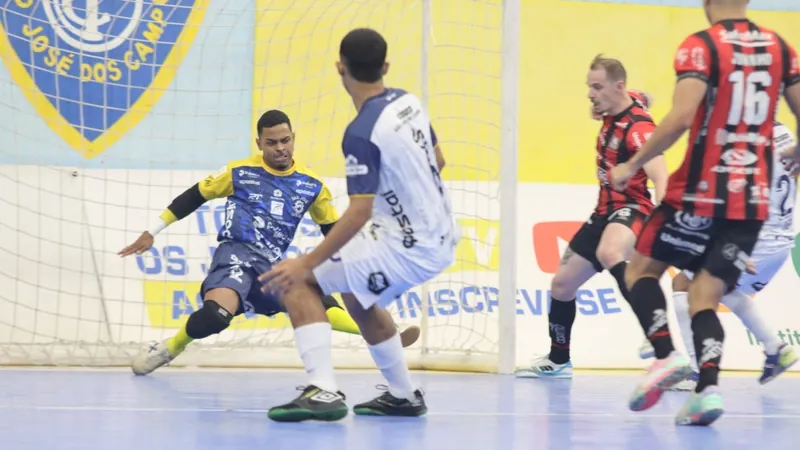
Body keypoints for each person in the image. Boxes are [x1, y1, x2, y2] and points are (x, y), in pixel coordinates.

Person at [609, 0, 800, 426]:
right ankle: (707, 392)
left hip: (700, 190)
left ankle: (665, 356)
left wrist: (633, 164)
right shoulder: (781, 49)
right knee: (704, 296)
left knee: (639, 270)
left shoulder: (701, 46)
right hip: (751, 203)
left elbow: (680, 117)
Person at [119, 109, 421, 377]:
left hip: (272, 265)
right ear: (259, 144)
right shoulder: (238, 172)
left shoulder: (312, 186)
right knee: (214, 317)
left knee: (316, 300)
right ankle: (170, 348)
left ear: (293, 138)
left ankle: (385, 334)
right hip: (234, 256)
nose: (280, 148)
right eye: (272, 142)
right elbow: (194, 196)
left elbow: (332, 231)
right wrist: (153, 230)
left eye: (285, 140)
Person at [256, 28, 457, 422]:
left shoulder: (361, 133)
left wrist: (306, 261)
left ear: (339, 68)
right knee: (354, 293)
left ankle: (324, 391)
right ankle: (404, 395)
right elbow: (439, 161)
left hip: (406, 245)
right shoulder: (409, 104)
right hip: (441, 234)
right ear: (385, 66)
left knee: (297, 281)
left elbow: (358, 213)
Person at [515, 57, 668, 379]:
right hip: (603, 212)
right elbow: (640, 97)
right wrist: (618, 99)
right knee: (561, 285)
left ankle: (658, 337)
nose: (589, 94)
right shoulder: (622, 104)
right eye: (589, 86)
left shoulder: (639, 129)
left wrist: (665, 225)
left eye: (596, 87)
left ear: (617, 86)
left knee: (610, 253)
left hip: (634, 208)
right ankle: (558, 359)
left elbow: (661, 177)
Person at [638, 122, 799, 390]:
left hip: (756, 236)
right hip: (781, 237)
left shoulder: (745, 141)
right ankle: (776, 347)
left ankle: (693, 368)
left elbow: (733, 196)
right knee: (718, 289)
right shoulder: (782, 132)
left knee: (685, 286)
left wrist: (735, 247)